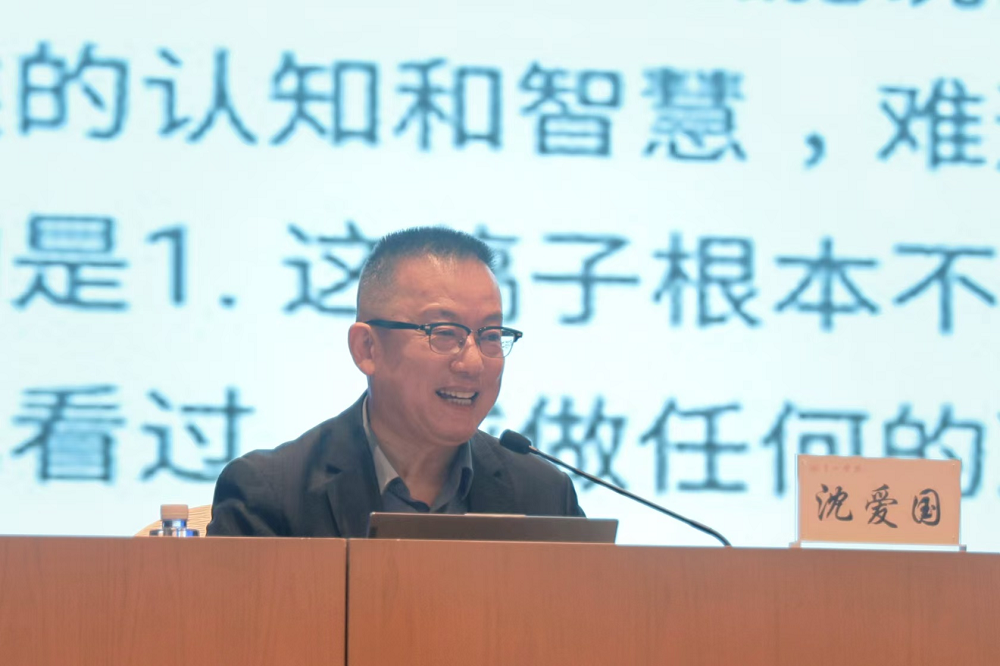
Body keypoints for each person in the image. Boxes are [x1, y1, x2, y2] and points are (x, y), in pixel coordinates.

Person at [207, 226, 583, 537]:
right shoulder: (270, 497)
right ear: (367, 348)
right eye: (444, 332)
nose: (472, 362)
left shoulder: (545, 496)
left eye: (490, 335)